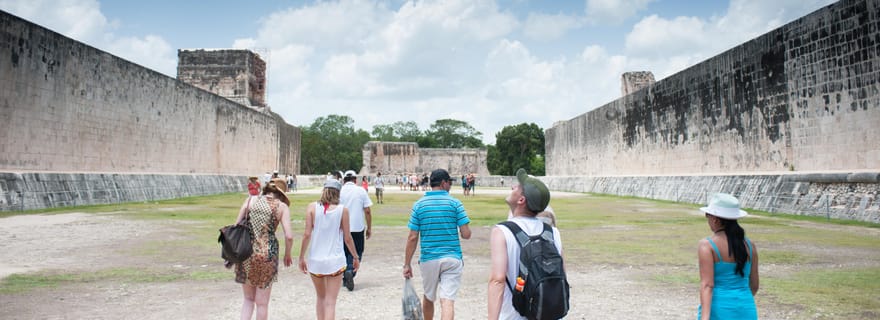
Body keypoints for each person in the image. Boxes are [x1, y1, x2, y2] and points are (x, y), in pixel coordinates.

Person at [488, 168, 561, 320]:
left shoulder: (502, 231)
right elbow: (561, 275)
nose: (513, 187)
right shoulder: (552, 232)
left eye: (517, 187)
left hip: (513, 314)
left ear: (521, 200)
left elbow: (498, 280)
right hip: (545, 313)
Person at [403, 168, 472, 320]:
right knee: (447, 301)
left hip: (429, 259)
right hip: (452, 257)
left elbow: (412, 237)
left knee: (429, 297)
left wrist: (407, 264)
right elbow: (466, 234)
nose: (450, 186)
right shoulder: (455, 203)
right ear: (443, 183)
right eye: (449, 183)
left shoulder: (419, 205)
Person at [298, 180, 361, 320]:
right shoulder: (343, 210)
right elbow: (348, 238)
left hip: (316, 260)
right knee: (330, 302)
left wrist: (301, 257)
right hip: (335, 261)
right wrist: (355, 257)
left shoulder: (312, 208)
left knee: (320, 297)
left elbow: (307, 234)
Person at [232, 183, 294, 320]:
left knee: (248, 299)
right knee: (262, 304)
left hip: (246, 252)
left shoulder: (250, 200)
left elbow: (236, 226)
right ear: (281, 194)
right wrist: (287, 254)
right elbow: (289, 236)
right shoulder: (282, 207)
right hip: (267, 254)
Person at [698, 193, 759, 320]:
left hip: (719, 310)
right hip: (746, 309)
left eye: (707, 215)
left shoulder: (707, 245)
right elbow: (754, 285)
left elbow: (707, 285)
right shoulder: (750, 245)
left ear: (715, 219)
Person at [340, 170, 373, 291]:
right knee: (357, 252)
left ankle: (346, 274)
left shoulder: (339, 191)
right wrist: (369, 227)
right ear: (355, 180)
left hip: (342, 227)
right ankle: (350, 271)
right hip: (358, 227)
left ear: (344, 180)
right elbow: (367, 211)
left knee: (344, 252)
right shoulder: (361, 191)